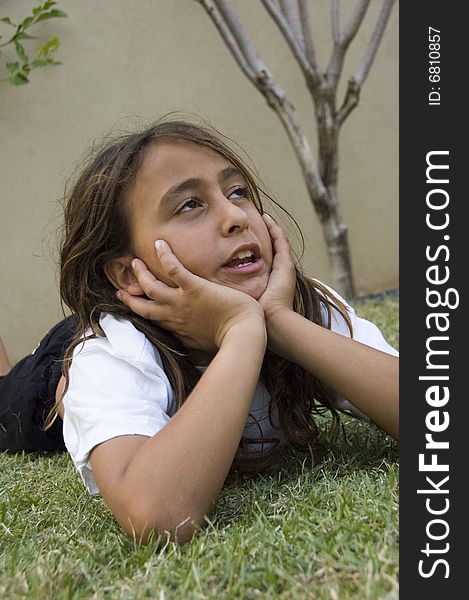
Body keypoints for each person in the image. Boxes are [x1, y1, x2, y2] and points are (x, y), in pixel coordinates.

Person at [0, 118, 398, 544]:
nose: (235, 217)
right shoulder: (110, 351)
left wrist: (279, 323)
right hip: (69, 360)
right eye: (189, 205)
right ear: (128, 273)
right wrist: (243, 330)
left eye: (237, 192)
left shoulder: (300, 304)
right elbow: (157, 518)